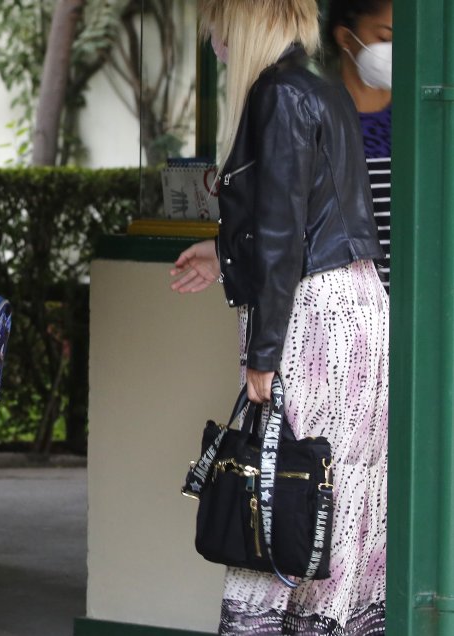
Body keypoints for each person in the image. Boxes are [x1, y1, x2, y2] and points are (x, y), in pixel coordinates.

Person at [169, 0, 389, 632]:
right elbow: (310, 213)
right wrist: (222, 252)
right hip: (357, 307)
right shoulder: (320, 85)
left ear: (239, 23)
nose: (212, 38)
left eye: (216, 23)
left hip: (314, 320)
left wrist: (261, 356)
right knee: (334, 496)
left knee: (278, 487)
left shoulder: (276, 94)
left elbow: (284, 232)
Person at [326, 0, 393, 291]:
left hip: (412, 297)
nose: (394, 50)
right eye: (385, 38)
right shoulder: (318, 112)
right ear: (345, 38)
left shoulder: (417, 116)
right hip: (348, 305)